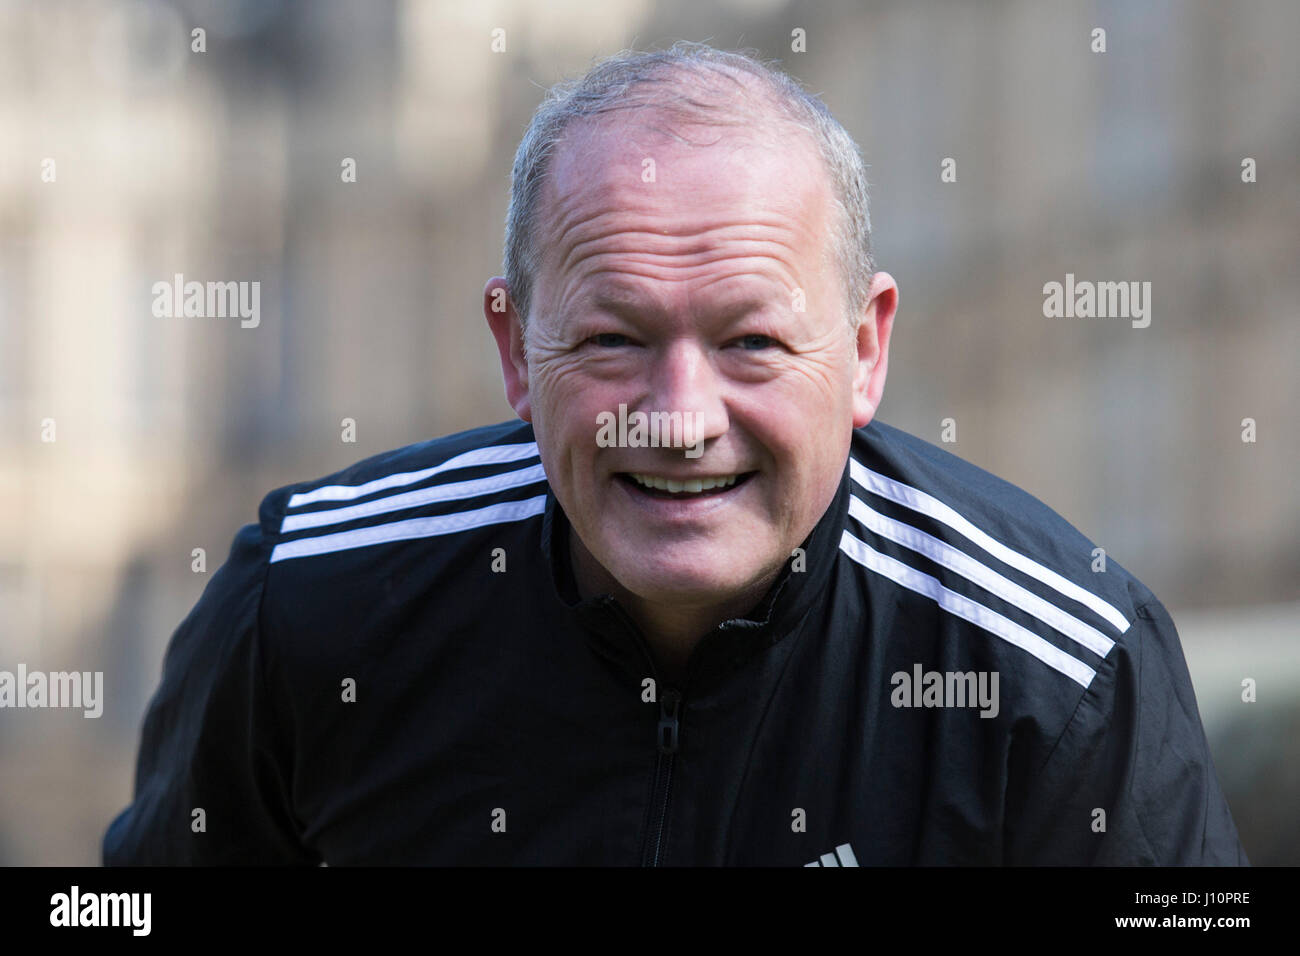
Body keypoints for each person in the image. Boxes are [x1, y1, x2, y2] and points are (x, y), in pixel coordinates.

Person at [103, 42, 1247, 866]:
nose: (679, 416)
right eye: (614, 338)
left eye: (750, 340)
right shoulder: (309, 597)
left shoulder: (1063, 671)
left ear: (863, 347)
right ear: (515, 347)